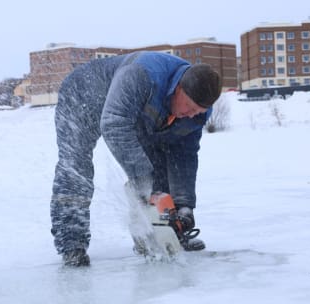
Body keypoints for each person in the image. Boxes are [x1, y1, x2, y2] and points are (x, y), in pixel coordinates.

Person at [50, 51, 222, 266]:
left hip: (137, 111)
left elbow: (184, 155)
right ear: (179, 88)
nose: (192, 114)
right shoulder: (142, 75)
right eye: (189, 107)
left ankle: (163, 237)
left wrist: (183, 205)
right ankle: (72, 244)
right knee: (76, 166)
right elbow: (114, 124)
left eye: (199, 111)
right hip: (83, 96)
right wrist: (142, 181)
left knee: (157, 164)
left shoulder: (197, 112)